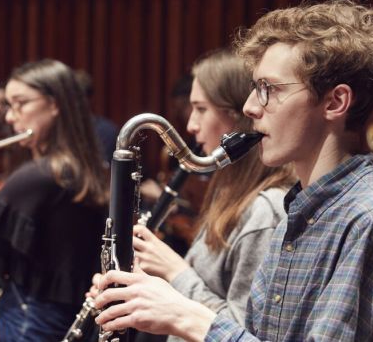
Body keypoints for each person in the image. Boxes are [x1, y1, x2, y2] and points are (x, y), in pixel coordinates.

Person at [93, 0, 373, 341]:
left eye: (269, 89)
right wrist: (153, 299)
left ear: (335, 102)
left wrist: (190, 317)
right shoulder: (297, 214)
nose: (249, 107)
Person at [118, 50, 295, 341]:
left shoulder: (267, 210)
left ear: (238, 117)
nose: (190, 125)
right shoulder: (228, 192)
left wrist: (175, 271)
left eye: (201, 109)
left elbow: (245, 332)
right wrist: (145, 283)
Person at [0, 59, 109, 341]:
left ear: (55, 104)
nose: (10, 117)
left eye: (20, 103)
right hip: (58, 314)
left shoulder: (41, 174)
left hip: (30, 316)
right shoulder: (75, 166)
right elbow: (21, 217)